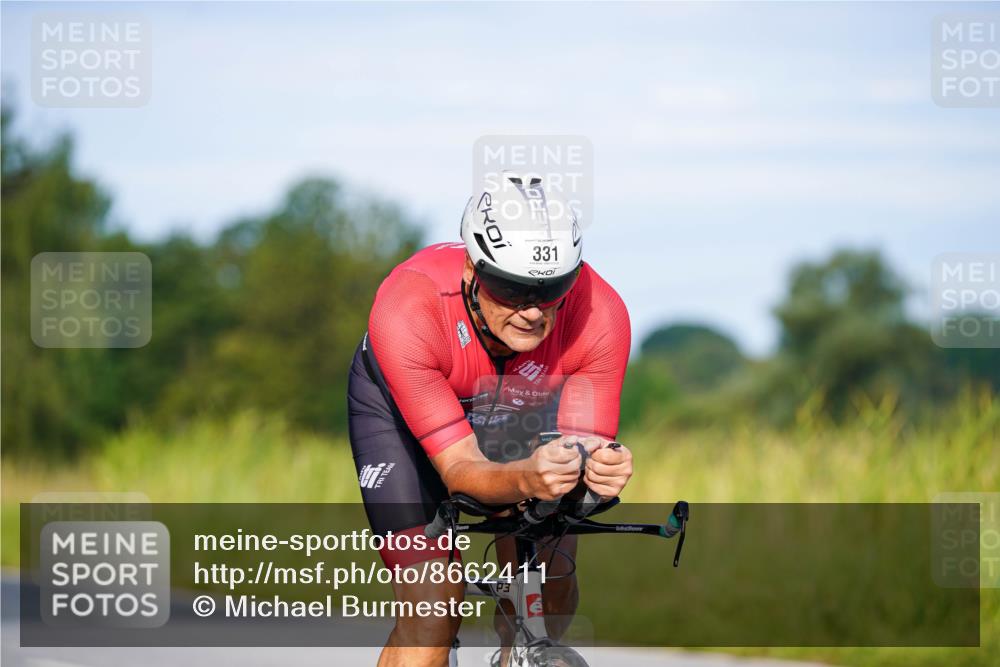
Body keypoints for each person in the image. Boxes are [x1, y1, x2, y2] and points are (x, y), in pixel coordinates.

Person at [348, 171, 633, 667]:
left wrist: (598, 472)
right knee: (432, 608)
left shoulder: (599, 315)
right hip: (404, 422)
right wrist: (527, 477)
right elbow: (460, 469)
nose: (532, 312)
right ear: (472, 269)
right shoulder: (408, 308)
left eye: (552, 289)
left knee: (550, 589)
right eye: (510, 288)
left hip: (520, 415)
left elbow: (581, 450)